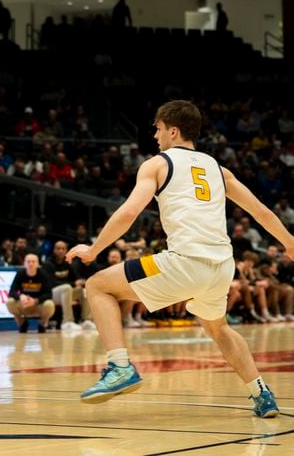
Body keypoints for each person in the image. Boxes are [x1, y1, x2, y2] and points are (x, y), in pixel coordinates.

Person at [66, 100, 292, 418]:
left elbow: (129, 212)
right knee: (219, 329)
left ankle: (119, 366)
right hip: (221, 267)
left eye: (158, 129)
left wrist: (93, 249)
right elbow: (261, 211)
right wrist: (289, 242)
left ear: (173, 130)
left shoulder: (157, 164)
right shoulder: (218, 168)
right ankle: (261, 393)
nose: (156, 135)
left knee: (97, 285)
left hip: (185, 262)